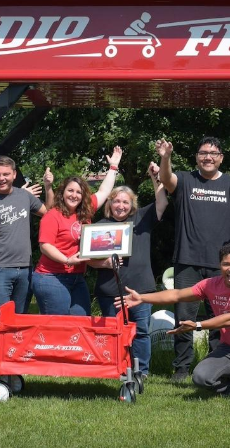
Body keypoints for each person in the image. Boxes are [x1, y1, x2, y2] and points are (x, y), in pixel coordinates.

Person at [157, 136, 230, 381]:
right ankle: (182, 368)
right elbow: (166, 180)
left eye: (213, 154)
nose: (208, 157)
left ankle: (218, 364)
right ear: (196, 157)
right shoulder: (185, 179)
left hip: (222, 266)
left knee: (220, 319)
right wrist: (166, 157)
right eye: (203, 153)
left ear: (221, 158)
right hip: (187, 260)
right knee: (184, 316)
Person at [117, 243, 230, 408]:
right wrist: (142, 298)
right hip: (227, 349)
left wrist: (197, 325)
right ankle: (228, 384)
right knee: (200, 378)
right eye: (226, 264)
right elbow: (177, 294)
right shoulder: (210, 284)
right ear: (220, 265)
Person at [91, 162, 168, 380]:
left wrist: (155, 178)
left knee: (141, 331)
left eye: (125, 202)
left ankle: (141, 372)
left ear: (132, 204)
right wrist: (104, 264)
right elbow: (88, 261)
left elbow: (162, 202)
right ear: (110, 203)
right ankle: (115, 368)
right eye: (116, 201)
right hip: (110, 291)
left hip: (141, 290)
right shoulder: (99, 226)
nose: (121, 206)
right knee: (113, 332)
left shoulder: (142, 218)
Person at [32, 147, 122, 315]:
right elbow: (45, 246)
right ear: (62, 193)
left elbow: (103, 191)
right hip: (51, 277)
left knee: (81, 320)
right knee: (60, 325)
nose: (74, 195)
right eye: (70, 191)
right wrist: (67, 260)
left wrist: (113, 167)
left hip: (76, 277)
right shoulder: (53, 215)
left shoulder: (85, 211)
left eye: (78, 192)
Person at [0, 156, 54, 330]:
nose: (2, 178)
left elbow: (49, 213)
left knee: (20, 320)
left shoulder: (24, 196)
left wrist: (48, 187)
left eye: (6, 174)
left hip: (25, 268)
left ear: (14, 174)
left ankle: (16, 349)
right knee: (0, 320)